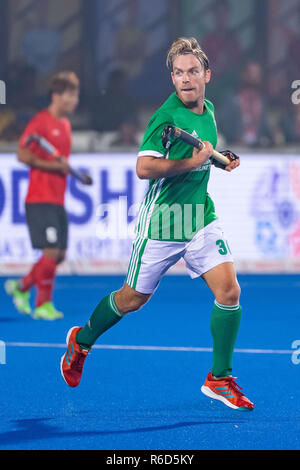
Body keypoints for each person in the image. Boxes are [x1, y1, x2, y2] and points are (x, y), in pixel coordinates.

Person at [61, 37, 254, 412]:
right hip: (163, 223)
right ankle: (81, 340)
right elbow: (143, 168)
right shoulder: (163, 118)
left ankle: (219, 378)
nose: (185, 79)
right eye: (179, 73)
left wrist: (219, 159)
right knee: (133, 299)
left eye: (192, 72)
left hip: (199, 217)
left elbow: (203, 149)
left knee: (229, 292)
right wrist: (192, 163)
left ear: (206, 75)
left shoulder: (208, 110)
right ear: (172, 79)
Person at [5, 71, 79, 320]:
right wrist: (53, 166)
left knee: (59, 256)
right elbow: (22, 155)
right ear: (56, 96)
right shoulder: (40, 122)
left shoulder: (65, 125)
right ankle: (42, 305)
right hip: (39, 199)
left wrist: (62, 166)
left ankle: (21, 287)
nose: (74, 100)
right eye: (70, 95)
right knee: (50, 252)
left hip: (58, 199)